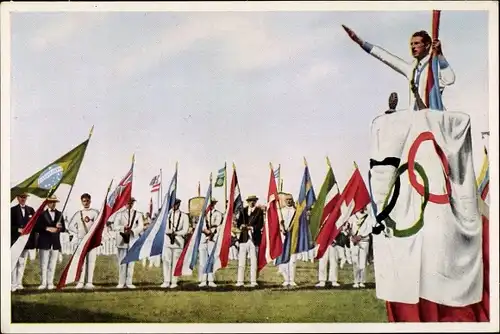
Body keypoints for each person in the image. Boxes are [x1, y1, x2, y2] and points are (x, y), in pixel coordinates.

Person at [342, 25, 455, 111]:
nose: (413, 47)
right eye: (411, 44)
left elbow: (450, 79)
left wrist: (440, 55)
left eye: (416, 43)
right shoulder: (411, 68)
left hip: (434, 117)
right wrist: (360, 42)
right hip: (416, 118)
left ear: (427, 45)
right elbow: (386, 57)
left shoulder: (434, 67)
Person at [108, 197, 144, 289]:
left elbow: (141, 226)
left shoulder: (138, 214)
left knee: (131, 262)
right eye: (128, 202)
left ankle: (129, 282)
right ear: (125, 203)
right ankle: (121, 282)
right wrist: (123, 227)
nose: (130, 204)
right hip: (122, 238)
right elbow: (115, 226)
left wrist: (132, 231)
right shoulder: (119, 214)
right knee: (122, 261)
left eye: (132, 202)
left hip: (132, 239)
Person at [67, 193, 100, 289]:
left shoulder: (95, 213)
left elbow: (99, 225)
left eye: (87, 201)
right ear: (81, 202)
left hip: (92, 240)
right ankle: (81, 282)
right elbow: (70, 226)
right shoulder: (78, 214)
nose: (86, 203)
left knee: (91, 261)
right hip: (81, 240)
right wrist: (79, 231)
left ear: (90, 201)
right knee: (82, 261)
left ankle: (89, 282)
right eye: (84, 201)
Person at [35, 195, 66, 290]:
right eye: (51, 202)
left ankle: (50, 283)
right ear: (47, 203)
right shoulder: (41, 214)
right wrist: (47, 228)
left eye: (54, 202)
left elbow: (64, 229)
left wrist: (59, 227)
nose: (53, 204)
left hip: (55, 243)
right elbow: (36, 227)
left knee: (52, 264)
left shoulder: (60, 214)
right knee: (43, 264)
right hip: (44, 242)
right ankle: (43, 283)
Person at [235, 195, 264, 288]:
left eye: (254, 201)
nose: (252, 202)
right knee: (242, 261)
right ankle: (240, 281)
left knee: (254, 261)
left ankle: (253, 281)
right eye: (250, 201)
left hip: (254, 238)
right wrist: (241, 226)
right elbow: (238, 223)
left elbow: (260, 225)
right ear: (247, 202)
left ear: (255, 201)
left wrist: (250, 227)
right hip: (244, 238)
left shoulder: (259, 211)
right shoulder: (243, 211)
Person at [161, 198, 189, 289]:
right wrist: (168, 231)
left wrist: (176, 233)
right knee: (166, 261)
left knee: (176, 262)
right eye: (173, 204)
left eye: (176, 204)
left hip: (178, 241)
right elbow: (162, 227)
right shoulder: (166, 215)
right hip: (167, 241)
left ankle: (174, 281)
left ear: (179, 204)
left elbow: (185, 230)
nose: (175, 206)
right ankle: (166, 281)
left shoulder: (184, 216)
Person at [11, 193, 36, 292]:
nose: (23, 199)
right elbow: (7, 225)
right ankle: (13, 284)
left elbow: (34, 225)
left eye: (24, 197)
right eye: (21, 197)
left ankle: (19, 283)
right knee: (14, 262)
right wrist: (17, 229)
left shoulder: (31, 210)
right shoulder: (12, 210)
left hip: (26, 241)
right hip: (15, 241)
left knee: (22, 262)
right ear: (17, 198)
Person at [198, 198, 223, 287]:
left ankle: (211, 280)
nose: (210, 205)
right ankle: (203, 280)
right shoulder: (202, 214)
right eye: (209, 203)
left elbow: (218, 225)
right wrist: (205, 230)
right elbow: (199, 226)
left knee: (211, 259)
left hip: (212, 238)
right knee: (202, 260)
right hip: (203, 239)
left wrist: (211, 233)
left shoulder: (218, 213)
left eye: (212, 203)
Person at [348, 206, 372, 288]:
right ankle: (356, 281)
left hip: (364, 241)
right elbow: (348, 228)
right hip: (354, 241)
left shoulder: (368, 216)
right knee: (355, 261)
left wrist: (360, 236)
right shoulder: (352, 217)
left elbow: (370, 229)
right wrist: (352, 236)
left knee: (363, 261)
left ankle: (362, 281)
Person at [278, 194, 298, 287]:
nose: (289, 201)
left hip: (293, 238)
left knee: (293, 260)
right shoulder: (281, 211)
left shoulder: (296, 211)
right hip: (283, 238)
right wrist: (282, 229)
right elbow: (278, 223)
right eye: (287, 199)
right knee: (283, 260)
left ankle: (292, 280)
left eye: (290, 199)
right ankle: (286, 279)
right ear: (285, 201)